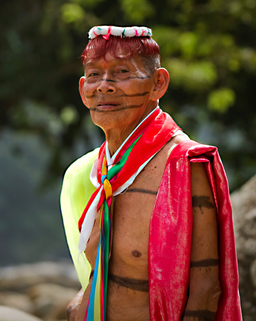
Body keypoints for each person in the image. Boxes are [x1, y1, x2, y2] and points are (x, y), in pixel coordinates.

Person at [60, 26, 242, 321]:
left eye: (122, 72)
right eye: (94, 75)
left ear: (158, 83)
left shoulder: (185, 164)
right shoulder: (92, 172)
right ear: (83, 90)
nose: (104, 86)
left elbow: (205, 290)